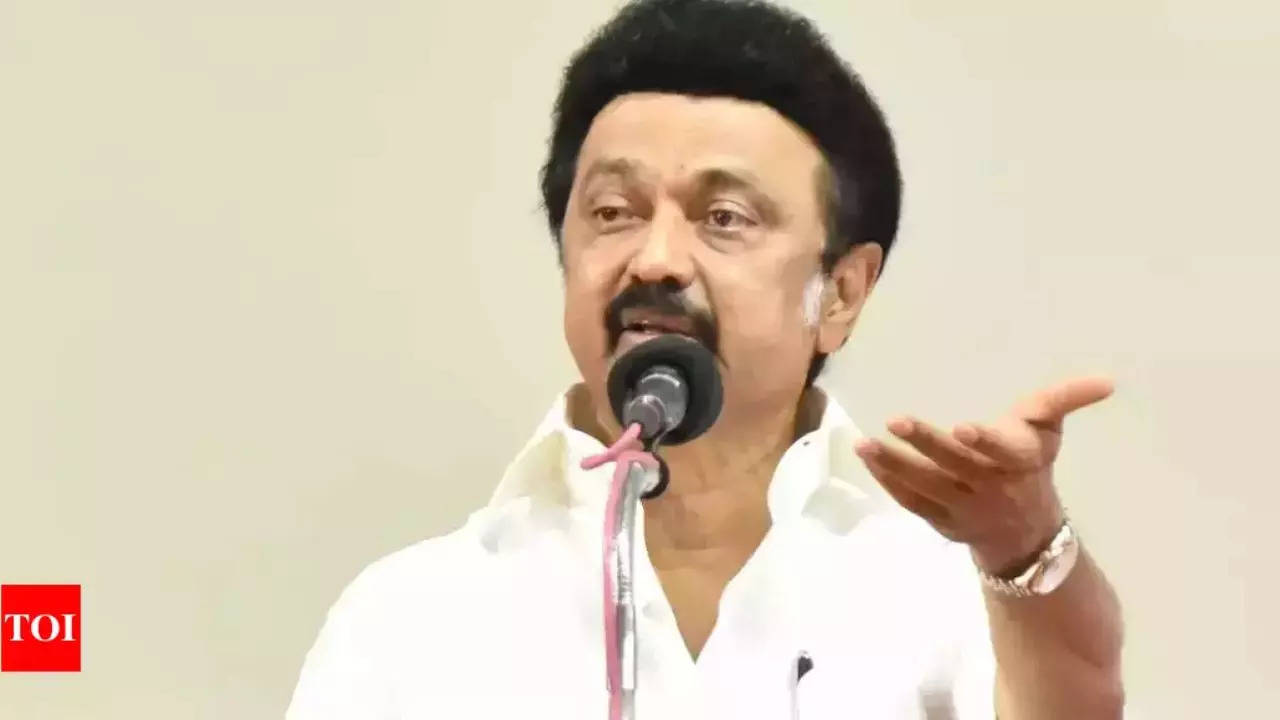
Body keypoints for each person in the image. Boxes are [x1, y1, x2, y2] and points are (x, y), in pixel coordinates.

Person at [287, 1, 1124, 717]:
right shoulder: (411, 617)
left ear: (840, 293)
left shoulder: (936, 595)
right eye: (612, 211)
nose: (655, 260)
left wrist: (1027, 554)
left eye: (724, 218)